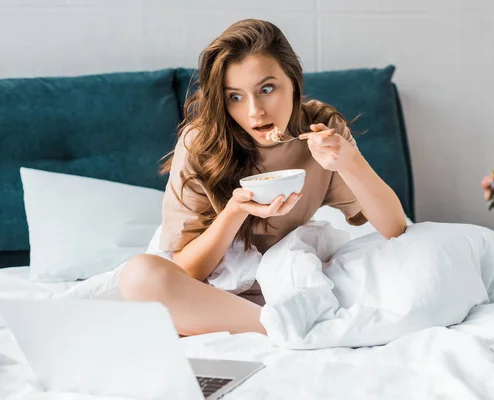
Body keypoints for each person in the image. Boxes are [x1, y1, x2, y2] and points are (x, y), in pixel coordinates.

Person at [118, 19, 407, 336]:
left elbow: (394, 227)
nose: (254, 111)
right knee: (138, 276)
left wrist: (350, 161)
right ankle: (280, 330)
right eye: (235, 97)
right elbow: (188, 270)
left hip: (286, 279)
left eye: (267, 89)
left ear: (293, 82)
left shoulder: (320, 129)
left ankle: (282, 326)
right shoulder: (201, 143)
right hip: (210, 288)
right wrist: (235, 211)